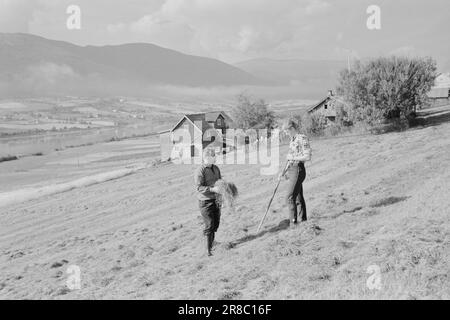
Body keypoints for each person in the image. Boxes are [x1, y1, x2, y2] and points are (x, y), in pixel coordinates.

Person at [280, 119, 312, 226]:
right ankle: (303, 221)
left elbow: (307, 156)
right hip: (292, 169)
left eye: (286, 131)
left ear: (292, 128)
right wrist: (283, 171)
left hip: (298, 169)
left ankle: (293, 223)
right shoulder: (292, 140)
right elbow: (289, 159)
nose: (286, 133)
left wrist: (293, 157)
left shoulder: (302, 138)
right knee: (298, 197)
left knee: (289, 197)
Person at [194, 147, 222, 256]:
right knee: (210, 224)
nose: (215, 158)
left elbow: (219, 182)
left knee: (216, 224)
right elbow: (199, 187)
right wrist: (212, 189)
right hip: (205, 202)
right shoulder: (200, 171)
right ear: (206, 157)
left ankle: (211, 243)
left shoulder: (216, 168)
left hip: (216, 200)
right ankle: (208, 250)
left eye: (214, 155)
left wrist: (221, 196)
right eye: (213, 156)